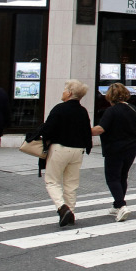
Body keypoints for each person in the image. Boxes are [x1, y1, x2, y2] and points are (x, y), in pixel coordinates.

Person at [35, 80, 93, 227]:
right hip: (77, 150)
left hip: (59, 148)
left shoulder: (59, 109)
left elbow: (48, 129)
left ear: (69, 93)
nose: (63, 92)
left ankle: (62, 207)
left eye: (65, 89)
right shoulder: (83, 111)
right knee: (71, 184)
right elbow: (87, 131)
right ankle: (71, 212)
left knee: (52, 181)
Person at [91, 83, 136, 221]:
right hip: (132, 147)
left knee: (112, 177)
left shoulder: (111, 111)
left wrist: (83, 132)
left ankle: (122, 206)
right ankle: (117, 204)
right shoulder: (133, 109)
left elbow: (100, 129)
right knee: (123, 175)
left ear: (109, 96)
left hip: (114, 148)